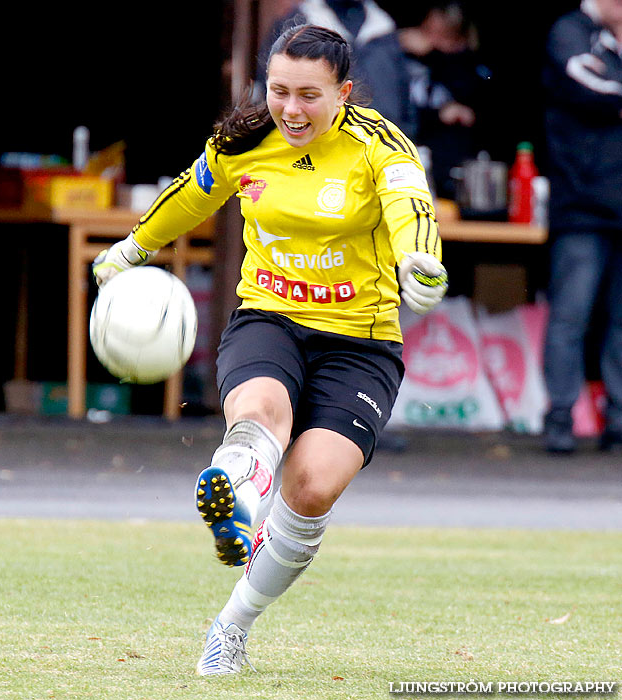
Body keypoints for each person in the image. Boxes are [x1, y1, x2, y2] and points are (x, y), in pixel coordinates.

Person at [93, 24, 448, 674]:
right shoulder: (244, 142)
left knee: (311, 488)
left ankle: (232, 623)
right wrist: (131, 248)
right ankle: (237, 491)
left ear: (342, 92)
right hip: (270, 316)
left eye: (309, 95)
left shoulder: (378, 143)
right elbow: (190, 193)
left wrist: (419, 261)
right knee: (259, 414)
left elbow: (410, 205)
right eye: (279, 91)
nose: (291, 108)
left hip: (361, 343)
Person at [541, 0, 622, 453]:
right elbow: (583, 84)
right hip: (583, 200)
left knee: (621, 320)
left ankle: (618, 418)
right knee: (572, 313)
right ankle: (559, 415)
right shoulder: (571, 29)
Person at [256, 0, 418, 140]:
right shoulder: (297, 26)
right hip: (318, 147)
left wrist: (406, 136)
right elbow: (271, 90)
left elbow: (404, 94)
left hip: (382, 143)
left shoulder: (383, 29)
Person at [398, 1, 492, 200]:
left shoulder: (467, 67)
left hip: (455, 171)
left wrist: (435, 55)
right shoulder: (402, 59)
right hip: (410, 160)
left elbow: (474, 99)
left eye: (442, 35)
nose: (430, 40)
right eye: (427, 31)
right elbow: (396, 111)